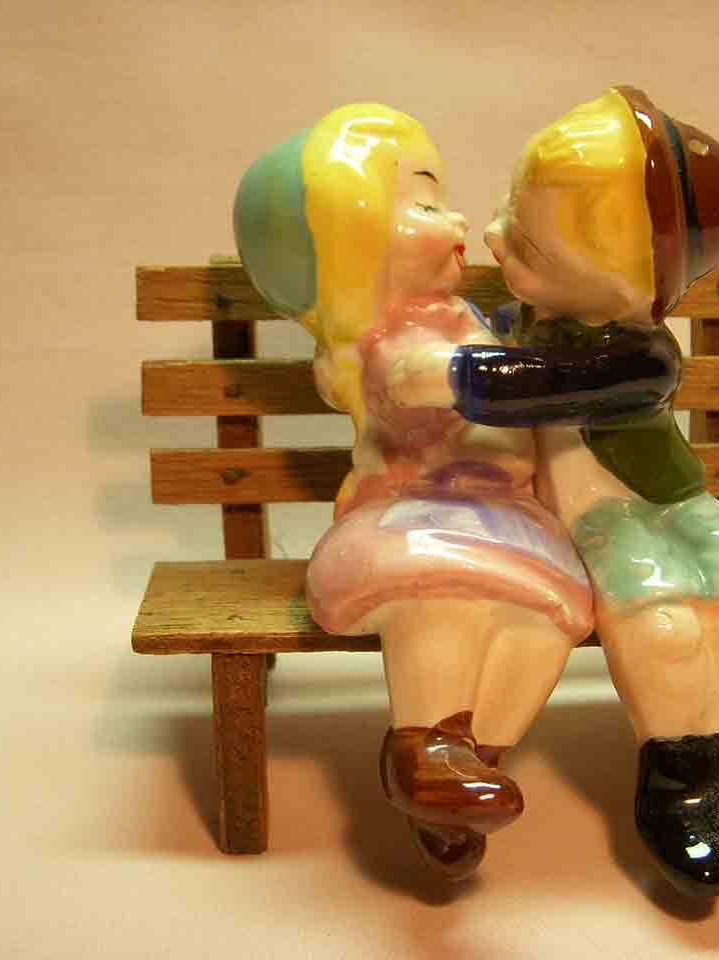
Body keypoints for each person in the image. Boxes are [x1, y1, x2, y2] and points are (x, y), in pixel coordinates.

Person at [400, 87, 719, 898]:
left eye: (526, 242)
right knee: (662, 621)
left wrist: (455, 374)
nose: (492, 236)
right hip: (594, 516)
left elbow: (537, 383)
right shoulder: (517, 320)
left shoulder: (642, 356)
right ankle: (680, 789)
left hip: (676, 501)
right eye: (508, 214)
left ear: (627, 288)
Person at [232, 104, 594, 879]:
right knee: (443, 597)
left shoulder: (466, 317)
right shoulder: (386, 342)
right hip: (413, 517)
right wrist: (532, 375)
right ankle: (422, 749)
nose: (457, 219)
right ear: (352, 245)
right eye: (426, 204)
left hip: (510, 517)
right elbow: (434, 384)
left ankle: (468, 767)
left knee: (542, 625)